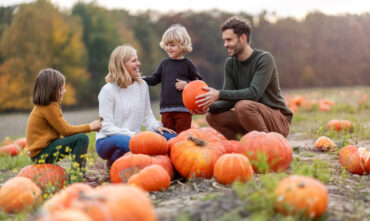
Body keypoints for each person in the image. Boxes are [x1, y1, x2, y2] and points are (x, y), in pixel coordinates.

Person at [193, 16, 293, 140]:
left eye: (229, 40)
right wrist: (208, 107)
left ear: (243, 38)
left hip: (278, 120)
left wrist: (219, 94)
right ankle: (243, 148)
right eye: (224, 40)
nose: (225, 44)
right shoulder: (230, 63)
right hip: (251, 118)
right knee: (212, 116)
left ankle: (269, 145)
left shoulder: (264, 59)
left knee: (242, 106)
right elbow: (228, 100)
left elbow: (254, 93)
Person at [96, 44, 176, 169]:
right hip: (108, 140)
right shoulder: (108, 90)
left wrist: (156, 126)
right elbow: (106, 126)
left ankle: (119, 159)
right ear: (122, 64)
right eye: (134, 61)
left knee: (171, 138)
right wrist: (131, 135)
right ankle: (119, 161)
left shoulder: (142, 85)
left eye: (137, 60)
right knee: (127, 143)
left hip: (135, 138)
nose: (138, 63)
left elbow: (147, 115)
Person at [26, 68, 102, 172]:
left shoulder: (42, 106)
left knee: (78, 139)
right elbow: (66, 131)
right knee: (81, 139)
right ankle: (77, 175)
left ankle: (77, 174)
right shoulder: (49, 107)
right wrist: (90, 127)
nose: (64, 91)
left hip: (39, 154)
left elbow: (62, 130)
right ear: (51, 91)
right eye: (61, 89)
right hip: (42, 154)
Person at [143, 24, 202, 134]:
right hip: (166, 109)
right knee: (167, 135)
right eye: (166, 45)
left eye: (172, 45)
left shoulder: (188, 64)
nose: (169, 48)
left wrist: (187, 84)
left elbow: (198, 83)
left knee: (181, 136)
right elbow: (155, 78)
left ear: (182, 45)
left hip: (183, 109)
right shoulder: (164, 63)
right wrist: (141, 79)